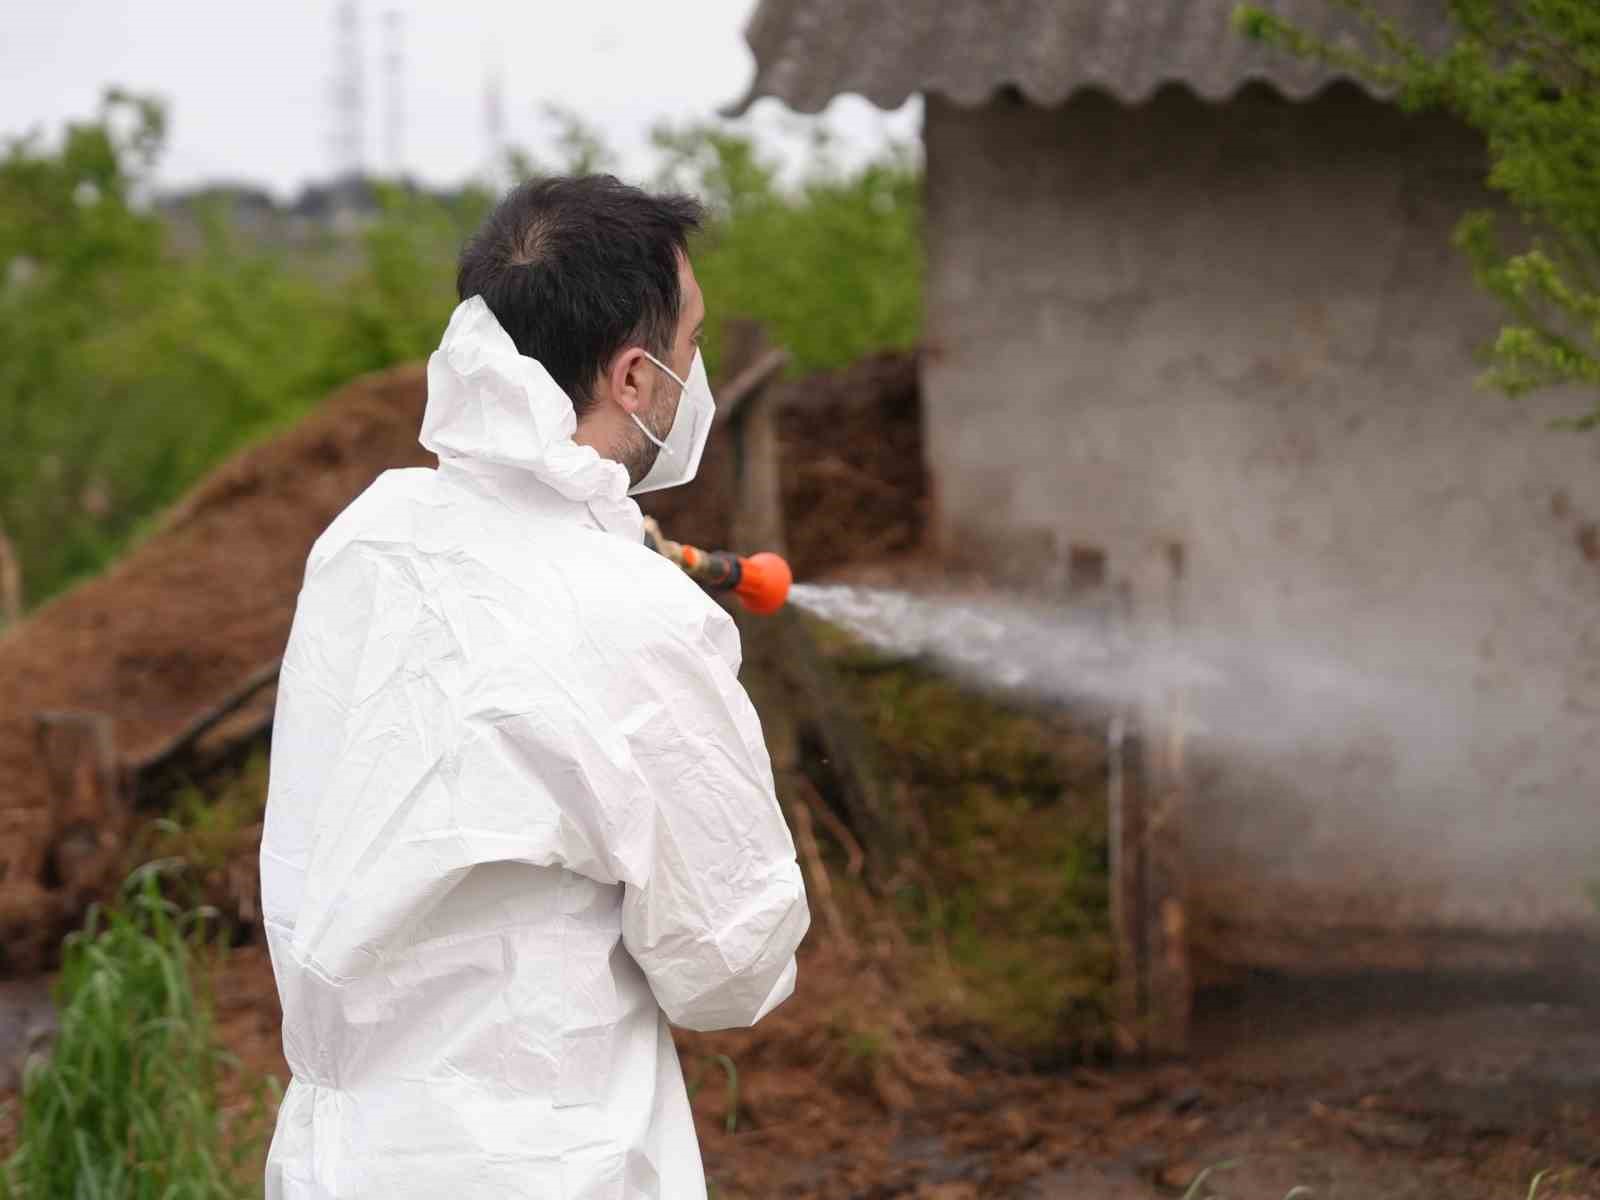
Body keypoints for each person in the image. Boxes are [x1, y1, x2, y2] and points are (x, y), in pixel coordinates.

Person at [259, 175, 811, 1199]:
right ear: (636, 380)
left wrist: (600, 548)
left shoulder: (370, 540)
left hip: (340, 1161)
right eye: (690, 346)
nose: (699, 370)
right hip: (548, 1167)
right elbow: (727, 969)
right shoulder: (642, 621)